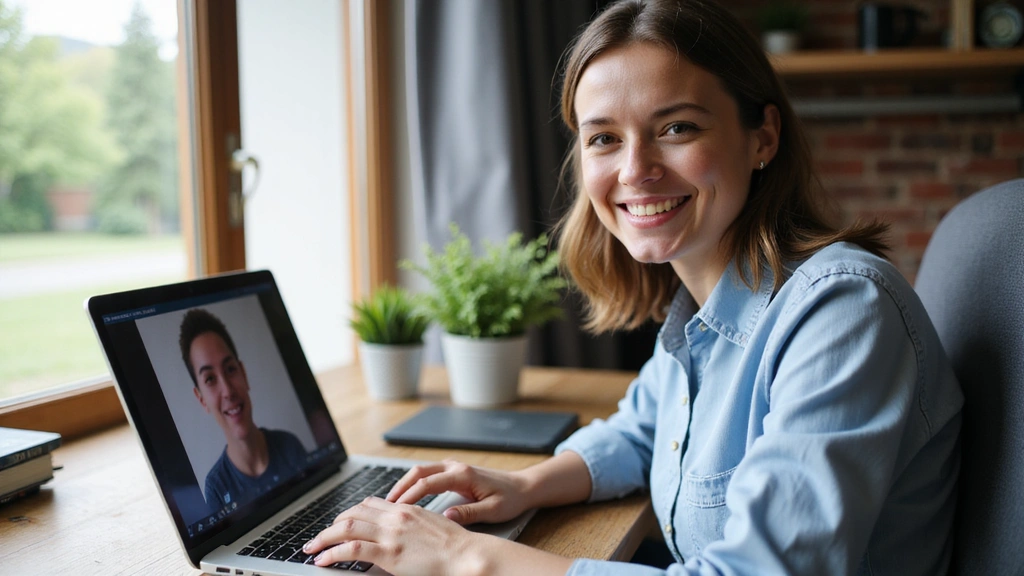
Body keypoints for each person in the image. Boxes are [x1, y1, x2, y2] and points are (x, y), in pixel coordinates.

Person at [302, 0, 964, 573]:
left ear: (762, 137)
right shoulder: (707, 308)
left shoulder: (839, 311)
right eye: (604, 139)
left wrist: (463, 557)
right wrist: (524, 485)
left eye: (677, 128)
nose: (636, 170)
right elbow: (644, 431)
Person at [178, 307, 307, 511]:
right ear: (201, 399)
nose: (228, 390)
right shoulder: (216, 489)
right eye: (210, 379)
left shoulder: (290, 447)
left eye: (230, 369)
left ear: (243, 374)